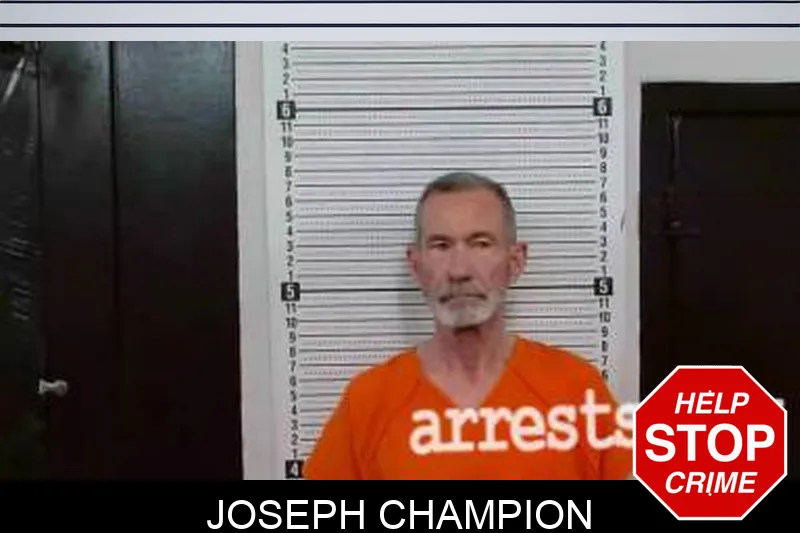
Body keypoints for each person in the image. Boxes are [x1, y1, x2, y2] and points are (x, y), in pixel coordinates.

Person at [304, 171, 633, 480]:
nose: (459, 270)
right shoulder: (368, 402)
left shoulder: (576, 391)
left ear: (516, 261)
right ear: (416, 266)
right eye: (441, 246)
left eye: (481, 244)